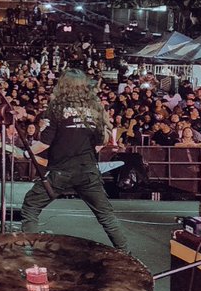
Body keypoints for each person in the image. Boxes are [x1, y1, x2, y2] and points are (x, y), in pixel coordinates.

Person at [21, 70, 128, 249]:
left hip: (60, 171)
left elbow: (44, 144)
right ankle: (128, 255)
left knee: (31, 207)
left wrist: (25, 153)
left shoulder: (55, 108)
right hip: (88, 170)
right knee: (106, 216)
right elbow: (101, 141)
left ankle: (31, 255)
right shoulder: (95, 109)